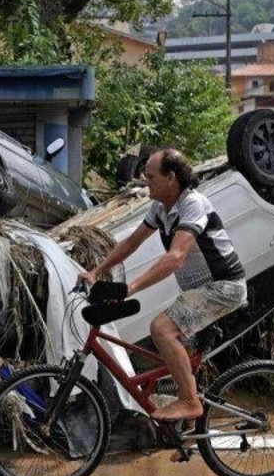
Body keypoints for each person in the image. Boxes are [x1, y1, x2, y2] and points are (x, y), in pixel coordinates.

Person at [77, 147, 247, 422]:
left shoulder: (193, 204)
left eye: (151, 177)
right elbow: (132, 242)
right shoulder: (161, 208)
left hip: (224, 287)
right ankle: (186, 433)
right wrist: (96, 271)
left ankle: (190, 402)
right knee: (181, 363)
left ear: (171, 178)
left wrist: (129, 288)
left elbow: (175, 258)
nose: (145, 182)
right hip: (199, 291)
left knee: (161, 329)